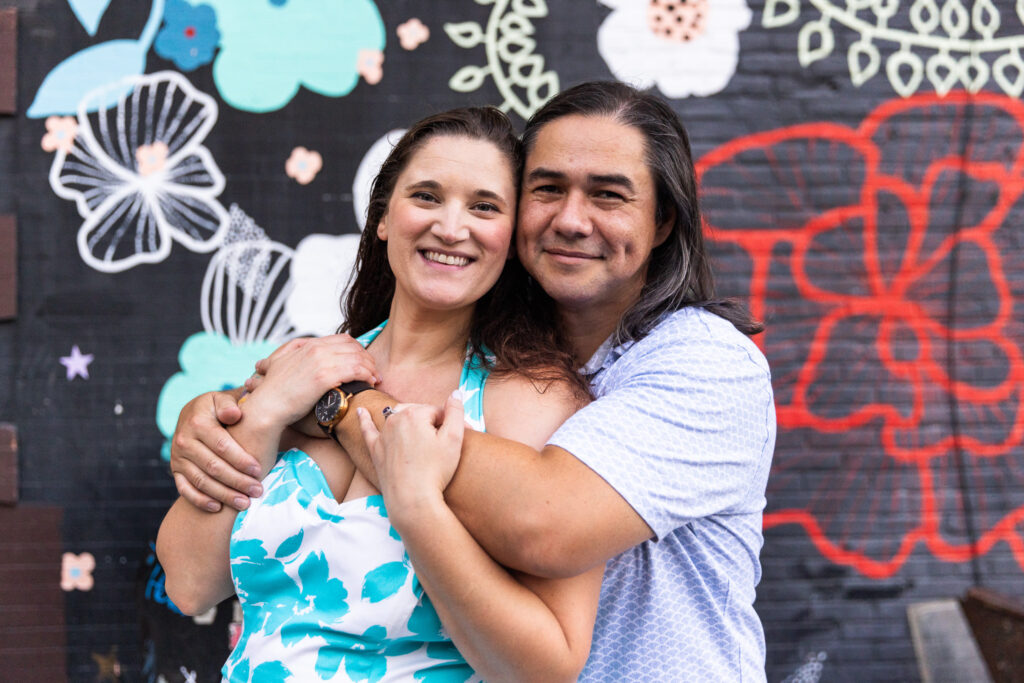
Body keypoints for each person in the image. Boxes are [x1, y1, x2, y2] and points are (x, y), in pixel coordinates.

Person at [171, 82, 777, 681]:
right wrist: (243, 413)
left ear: (664, 221)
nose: (570, 219)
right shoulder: (317, 371)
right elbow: (190, 581)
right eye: (547, 190)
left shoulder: (701, 363)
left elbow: (547, 523)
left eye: (609, 195)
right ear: (382, 217)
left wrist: (333, 406)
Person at [156, 106, 604, 682]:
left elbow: (546, 668)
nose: (451, 226)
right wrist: (264, 412)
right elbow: (189, 585)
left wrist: (418, 508)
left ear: (511, 238)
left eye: (484, 207)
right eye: (426, 196)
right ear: (384, 218)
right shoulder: (302, 370)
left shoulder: (530, 399)